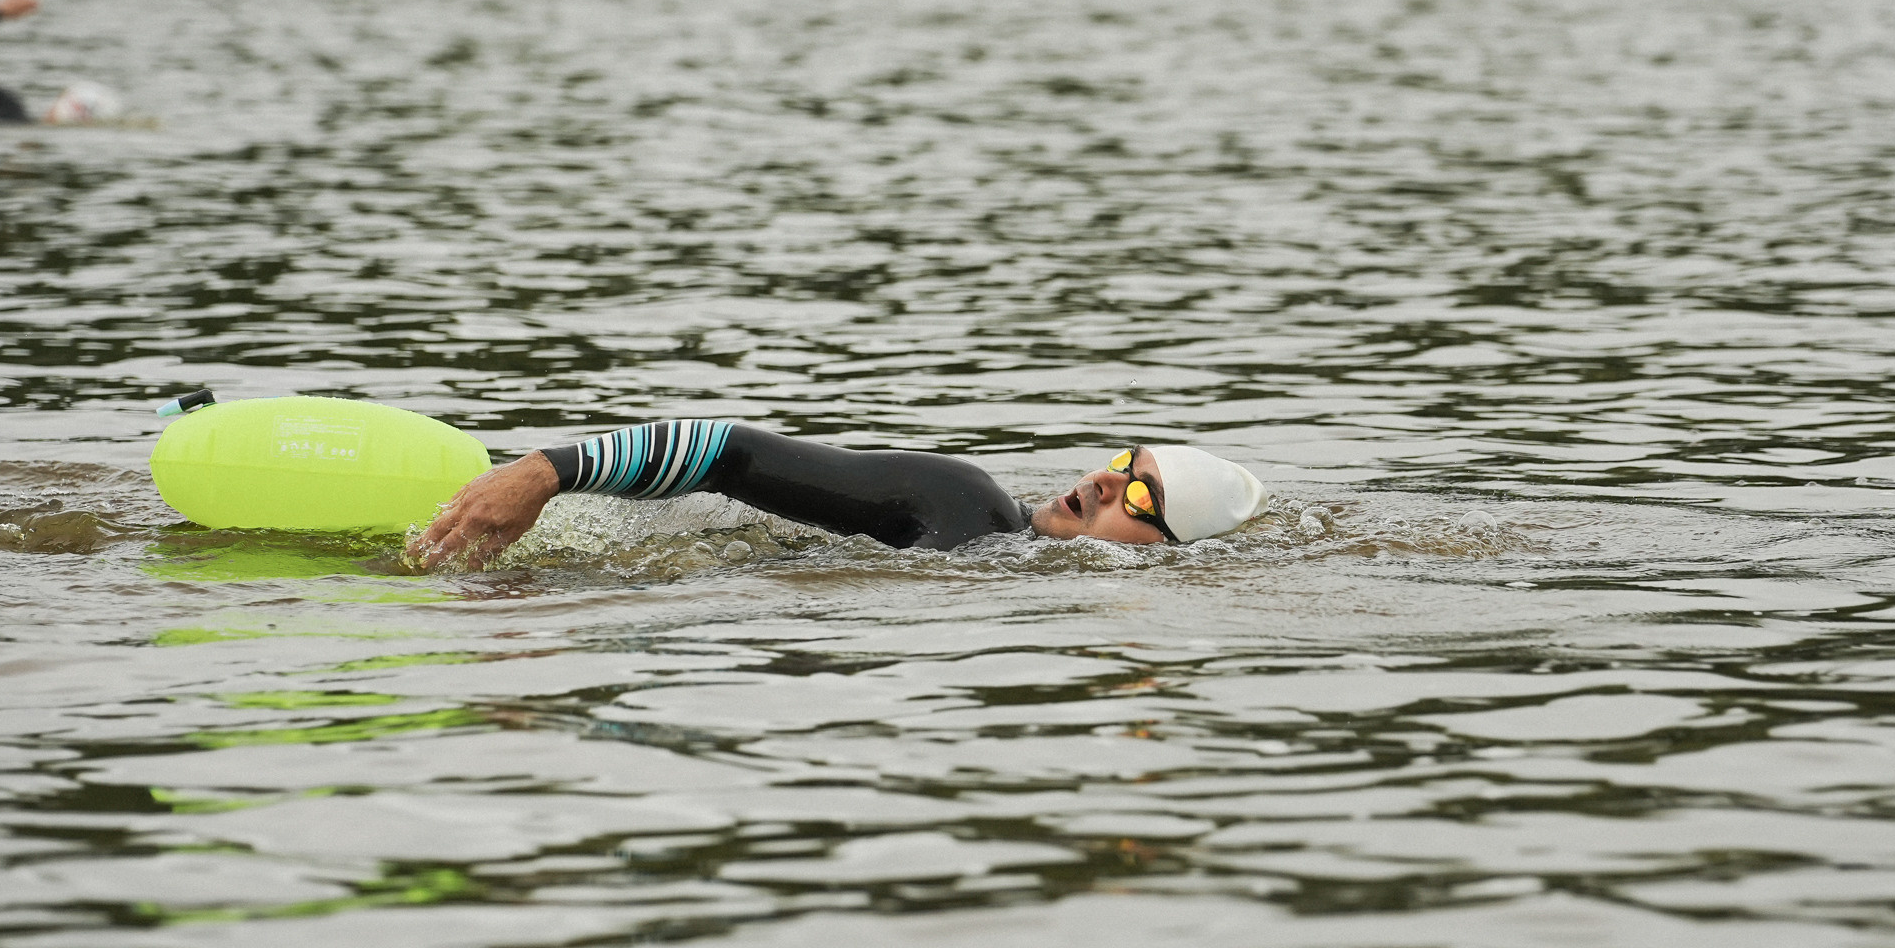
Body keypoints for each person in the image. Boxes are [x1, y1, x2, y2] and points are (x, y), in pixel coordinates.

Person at [412, 418, 1268, 568]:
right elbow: (734, 456)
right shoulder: (963, 503)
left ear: (1169, 557)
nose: (1102, 481)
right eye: (1122, 462)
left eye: (1139, 499)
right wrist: (546, 473)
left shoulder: (1009, 566)